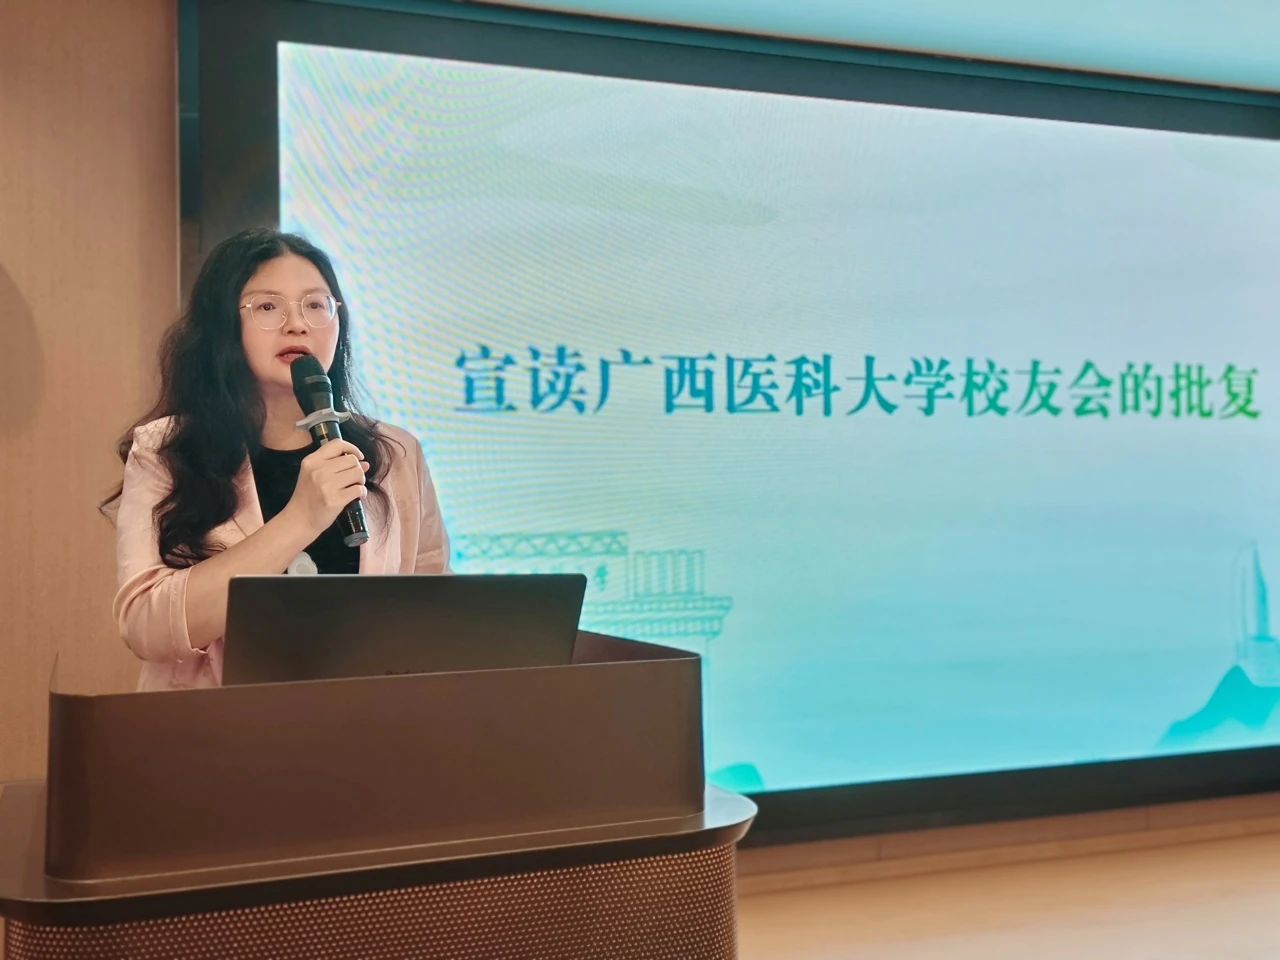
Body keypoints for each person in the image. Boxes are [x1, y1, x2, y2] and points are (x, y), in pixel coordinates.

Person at [103, 228, 449, 691]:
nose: (297, 324)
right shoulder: (167, 450)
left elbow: (433, 612)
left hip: (363, 721)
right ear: (224, 326)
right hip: (216, 726)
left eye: (315, 305)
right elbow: (147, 628)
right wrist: (300, 519)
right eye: (268, 307)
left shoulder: (395, 454)